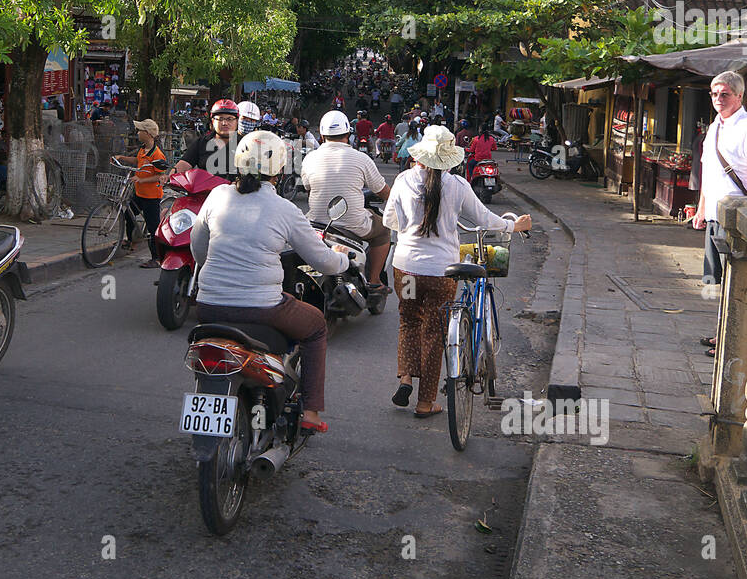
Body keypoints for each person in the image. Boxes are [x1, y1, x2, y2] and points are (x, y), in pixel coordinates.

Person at [191, 131, 350, 434]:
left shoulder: (217, 196)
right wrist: (344, 258)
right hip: (261, 308)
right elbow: (323, 262)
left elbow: (199, 250)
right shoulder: (285, 210)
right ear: (279, 170)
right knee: (316, 327)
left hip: (208, 306)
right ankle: (312, 412)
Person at [383, 126, 531, 417]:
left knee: (409, 319)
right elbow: (485, 219)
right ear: (449, 158)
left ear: (421, 155)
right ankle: (425, 403)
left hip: (407, 272)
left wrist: (413, 230)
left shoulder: (403, 180)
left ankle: (405, 377)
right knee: (434, 334)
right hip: (441, 275)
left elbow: (390, 220)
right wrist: (516, 225)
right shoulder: (457, 186)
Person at [302, 111, 392, 291]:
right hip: (352, 224)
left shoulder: (310, 158)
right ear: (348, 134)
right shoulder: (361, 158)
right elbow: (382, 190)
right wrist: (396, 202)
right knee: (384, 231)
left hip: (317, 223)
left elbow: (307, 187)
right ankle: (374, 280)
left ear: (322, 134)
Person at [693, 71, 747, 352]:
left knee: (738, 280)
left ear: (739, 96)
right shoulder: (715, 126)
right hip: (715, 214)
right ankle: (723, 333)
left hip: (738, 220)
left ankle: (735, 341)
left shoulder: (745, 128)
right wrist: (701, 208)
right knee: (721, 280)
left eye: (724, 94)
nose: (718, 99)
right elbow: (708, 170)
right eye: (714, 93)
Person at [117, 119, 167, 267]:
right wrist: (122, 158)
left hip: (151, 196)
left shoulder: (157, 155)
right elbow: (137, 161)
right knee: (128, 216)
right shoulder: (142, 149)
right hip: (139, 193)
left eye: (140, 131)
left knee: (153, 228)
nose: (137, 133)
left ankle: (156, 258)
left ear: (148, 134)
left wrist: (141, 179)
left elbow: (160, 176)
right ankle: (130, 241)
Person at [173, 99, 240, 181]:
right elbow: (184, 164)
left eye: (229, 119)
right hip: (206, 191)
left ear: (237, 121)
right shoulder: (201, 142)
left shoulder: (246, 143)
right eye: (220, 119)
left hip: (238, 191)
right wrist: (170, 177)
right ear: (212, 121)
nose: (224, 123)